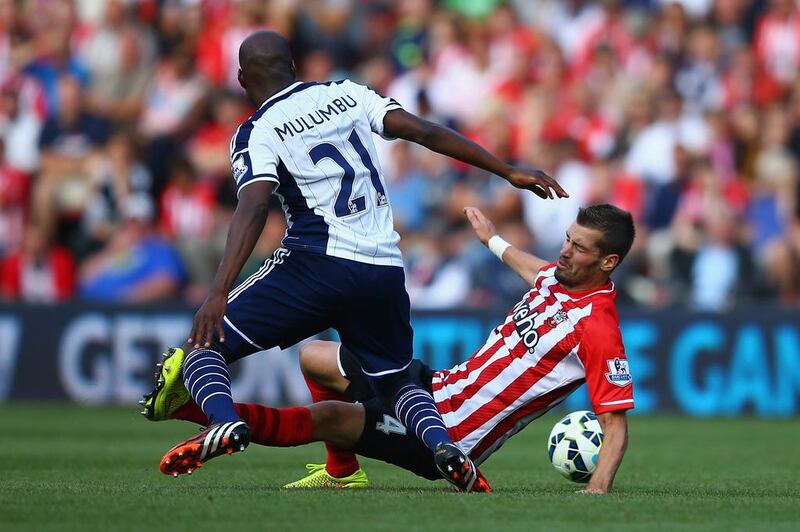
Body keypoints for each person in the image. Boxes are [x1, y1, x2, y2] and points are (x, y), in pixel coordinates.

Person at [140, 30, 567, 492]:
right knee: (397, 379)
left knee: (205, 343)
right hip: (382, 268)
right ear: (294, 66)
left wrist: (218, 290)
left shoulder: (256, 131)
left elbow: (254, 204)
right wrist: (506, 170)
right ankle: (444, 446)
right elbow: (424, 131)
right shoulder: (346, 94)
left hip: (314, 262)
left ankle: (222, 421)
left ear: (242, 78)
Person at [145, 204, 634, 495]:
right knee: (315, 356)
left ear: (608, 261)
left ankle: (196, 414)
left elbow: (614, 423)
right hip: (436, 386)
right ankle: (343, 473)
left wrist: (598, 489)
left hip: (451, 437)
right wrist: (492, 239)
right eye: (568, 240)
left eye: (580, 247)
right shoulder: (560, 278)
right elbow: (534, 270)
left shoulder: (597, 329)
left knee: (331, 416)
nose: (565, 251)